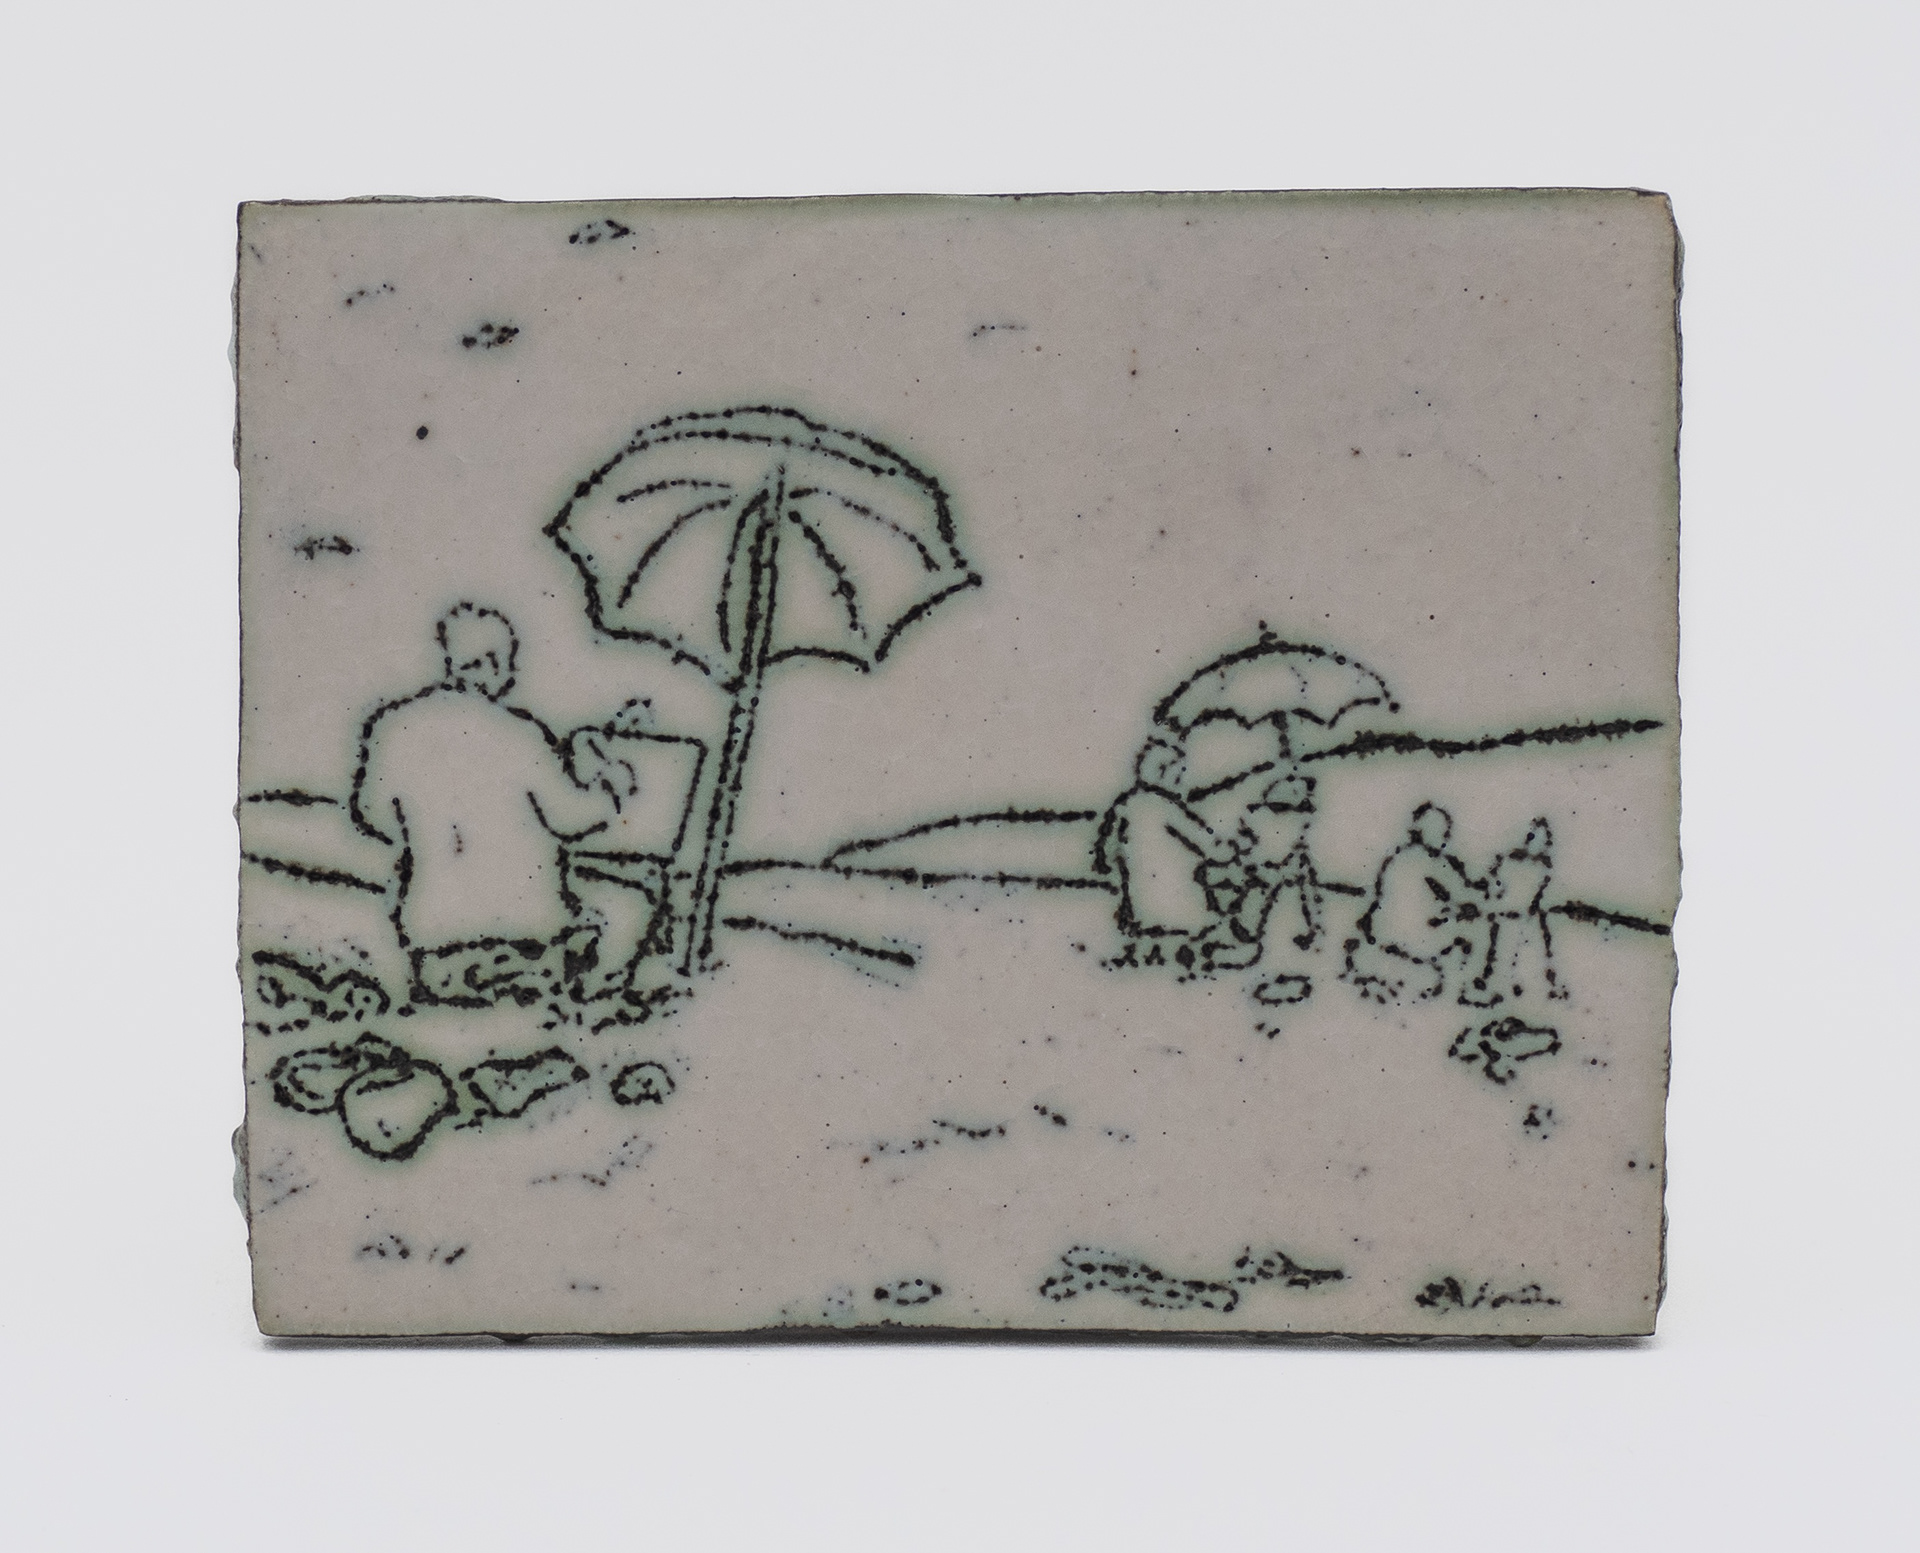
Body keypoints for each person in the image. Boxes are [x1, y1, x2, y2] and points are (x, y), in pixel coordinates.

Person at [350, 604, 640, 1007]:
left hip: (434, 947)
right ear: (490, 662)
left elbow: (373, 816)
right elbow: (572, 819)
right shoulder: (519, 734)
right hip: (527, 944)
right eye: (508, 662)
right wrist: (610, 785)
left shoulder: (393, 729)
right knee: (624, 911)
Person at [1093, 737, 1239, 966]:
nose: (1179, 781)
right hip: (1177, 897)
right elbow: (1204, 842)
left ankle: (1151, 950)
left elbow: (1104, 847)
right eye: (1176, 775)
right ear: (1162, 772)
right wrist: (1228, 850)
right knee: (1204, 916)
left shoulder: (1125, 804)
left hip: (1141, 902)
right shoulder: (1164, 805)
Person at [1341, 802, 1489, 1005]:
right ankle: (1467, 987)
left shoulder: (1398, 857)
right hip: (1413, 935)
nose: (1444, 839)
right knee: (1474, 936)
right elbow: (1458, 891)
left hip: (1388, 931)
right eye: (1443, 834)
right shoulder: (1427, 860)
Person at [1464, 817, 1566, 1009]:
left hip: (1523, 915)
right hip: (1511, 914)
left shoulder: (1538, 865)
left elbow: (1536, 892)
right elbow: (1497, 881)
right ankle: (1496, 982)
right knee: (1502, 949)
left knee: (1524, 951)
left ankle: (1535, 988)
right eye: (1535, 836)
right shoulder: (1515, 860)